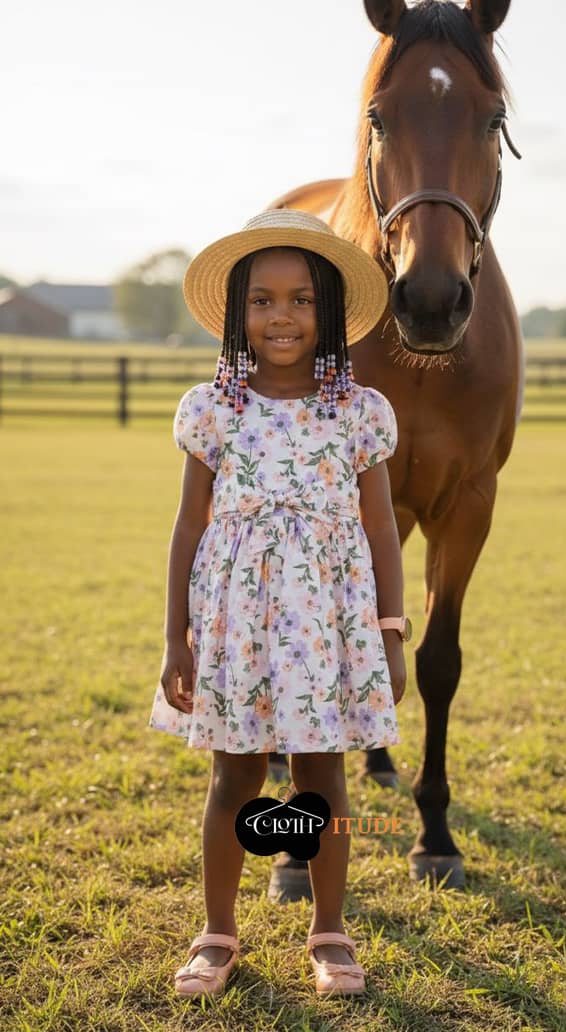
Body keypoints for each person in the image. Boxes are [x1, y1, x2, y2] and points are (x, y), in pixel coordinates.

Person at [147, 208, 409, 999]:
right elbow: (189, 526)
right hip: (234, 624)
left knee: (321, 777)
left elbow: (383, 530)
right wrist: (175, 641)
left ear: (330, 312)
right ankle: (217, 932)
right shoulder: (213, 409)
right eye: (262, 300)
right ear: (237, 314)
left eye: (300, 299)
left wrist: (391, 632)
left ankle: (329, 930)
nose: (281, 315)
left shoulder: (358, 412)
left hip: (327, 628)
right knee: (233, 777)